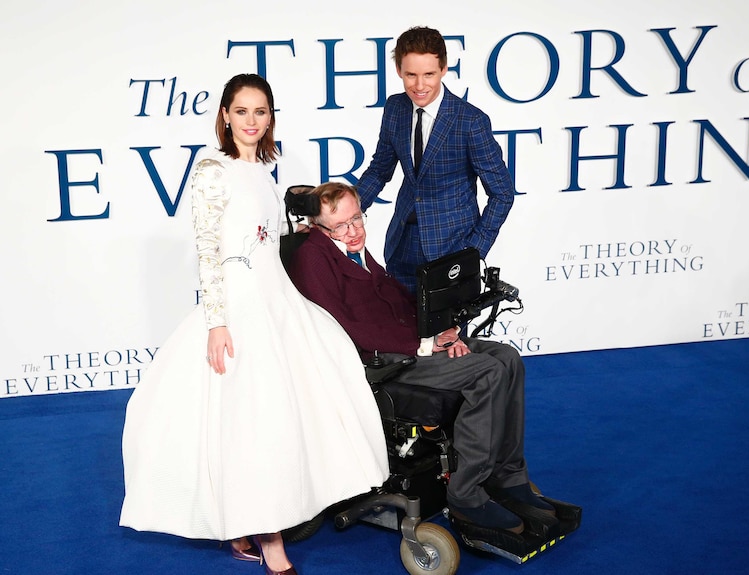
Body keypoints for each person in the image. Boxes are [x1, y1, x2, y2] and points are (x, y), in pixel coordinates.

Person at [119, 75, 389, 575]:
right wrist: (218, 323)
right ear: (224, 115)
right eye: (241, 111)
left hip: (278, 299)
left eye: (260, 111)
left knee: (304, 401)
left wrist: (301, 227)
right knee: (256, 423)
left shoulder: (262, 169)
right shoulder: (211, 171)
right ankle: (271, 540)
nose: (251, 120)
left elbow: (261, 233)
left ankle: (256, 521)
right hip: (241, 308)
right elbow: (208, 249)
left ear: (270, 117)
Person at [288, 182, 555, 534]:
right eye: (342, 225)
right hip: (382, 362)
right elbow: (343, 328)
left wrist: (442, 329)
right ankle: (466, 495)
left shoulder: (353, 249)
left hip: (411, 344)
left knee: (507, 358)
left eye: (358, 219)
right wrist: (425, 345)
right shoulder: (313, 257)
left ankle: (507, 476)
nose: (354, 231)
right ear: (317, 226)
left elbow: (397, 299)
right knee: (487, 372)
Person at [356, 25, 515, 293]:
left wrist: (473, 252)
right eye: (411, 75)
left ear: (444, 69)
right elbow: (379, 171)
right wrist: (344, 214)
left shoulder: (470, 121)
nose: (419, 85)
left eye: (429, 74)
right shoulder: (395, 108)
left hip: (452, 251)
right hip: (401, 245)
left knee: (448, 336)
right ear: (399, 71)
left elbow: (502, 194)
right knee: (399, 331)